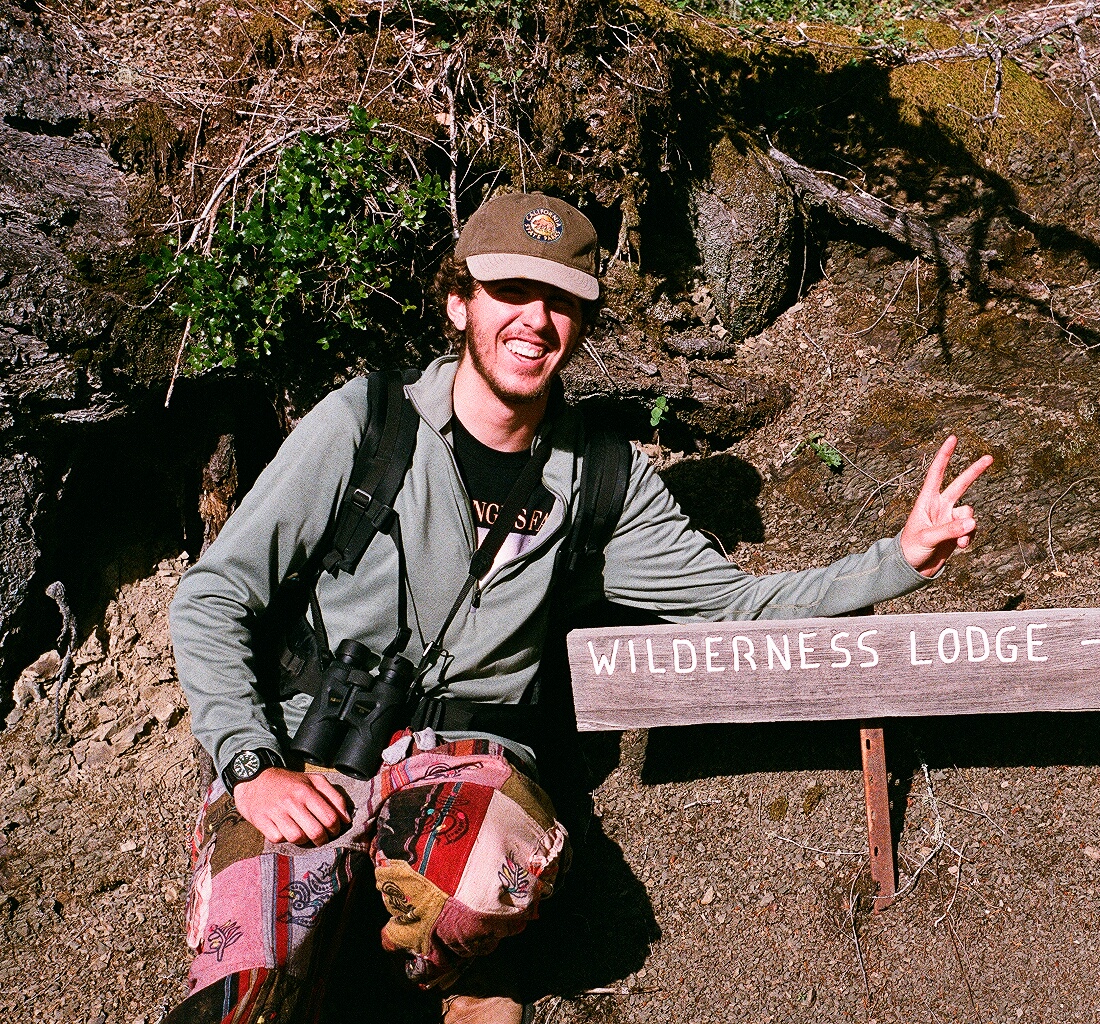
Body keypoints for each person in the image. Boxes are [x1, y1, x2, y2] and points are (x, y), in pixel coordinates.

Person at [165, 192, 992, 1024]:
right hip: (310, 753)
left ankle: (434, 979)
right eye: (511, 294)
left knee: (485, 881)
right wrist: (249, 764)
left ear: (583, 326)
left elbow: (735, 607)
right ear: (461, 304)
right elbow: (214, 594)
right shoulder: (367, 424)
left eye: (562, 301)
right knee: (245, 992)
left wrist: (899, 560)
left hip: (467, 762)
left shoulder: (601, 476)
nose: (536, 320)